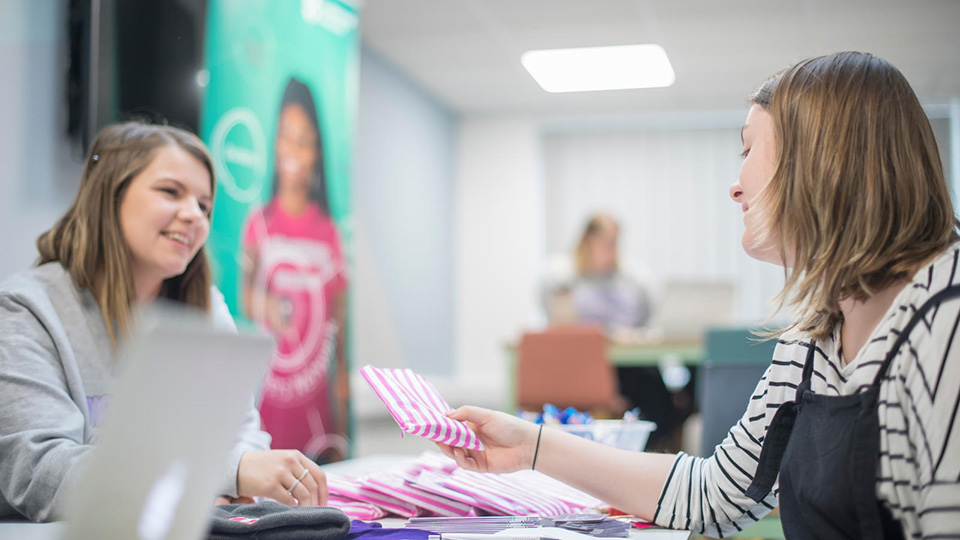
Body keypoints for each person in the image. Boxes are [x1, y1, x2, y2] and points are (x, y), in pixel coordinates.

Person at [438, 52, 960, 539]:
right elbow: (714, 493)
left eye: (749, 148)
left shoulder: (948, 323)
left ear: (824, 158)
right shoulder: (813, 338)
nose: (735, 185)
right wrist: (531, 444)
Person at [0, 122, 329, 522]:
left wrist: (219, 483)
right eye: (171, 192)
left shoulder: (208, 309)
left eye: (204, 206)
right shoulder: (25, 309)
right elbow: (42, 473)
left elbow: (242, 431)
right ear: (110, 196)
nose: (194, 215)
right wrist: (225, 475)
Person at [243, 77, 349, 463]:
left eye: (304, 140)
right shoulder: (259, 223)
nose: (293, 150)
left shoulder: (329, 232)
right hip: (272, 395)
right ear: (273, 142)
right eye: (286, 136)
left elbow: (339, 320)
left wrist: (344, 394)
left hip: (316, 403)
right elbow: (246, 295)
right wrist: (269, 307)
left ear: (317, 152)